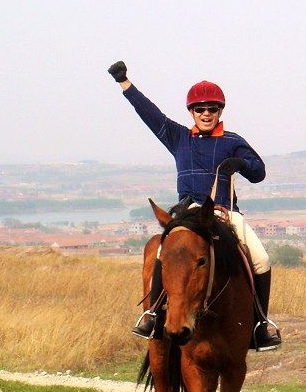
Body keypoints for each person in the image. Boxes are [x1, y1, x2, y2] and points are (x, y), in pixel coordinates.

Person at [107, 60, 281, 351]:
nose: (206, 114)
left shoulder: (232, 140)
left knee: (261, 259)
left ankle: (259, 324)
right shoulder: (179, 138)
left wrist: (238, 162)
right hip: (187, 215)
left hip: (222, 213)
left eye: (212, 109)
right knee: (163, 254)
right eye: (199, 109)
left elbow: (259, 171)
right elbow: (150, 115)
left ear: (220, 111)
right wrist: (125, 84)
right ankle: (151, 315)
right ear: (191, 112)